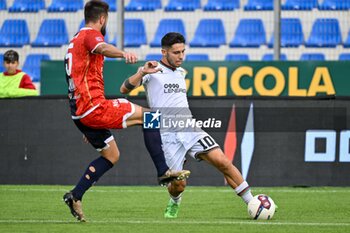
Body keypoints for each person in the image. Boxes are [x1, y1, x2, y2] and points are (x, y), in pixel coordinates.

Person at [62, 1, 189, 222]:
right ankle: (163, 171)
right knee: (151, 117)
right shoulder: (90, 35)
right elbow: (102, 47)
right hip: (93, 107)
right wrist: (122, 54)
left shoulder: (74, 41)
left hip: (80, 111)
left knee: (111, 155)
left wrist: (88, 121)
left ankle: (75, 195)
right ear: (102, 19)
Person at [121, 32, 254, 218]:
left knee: (222, 161)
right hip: (167, 135)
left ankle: (253, 203)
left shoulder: (181, 72)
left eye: (183, 51)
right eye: (176, 52)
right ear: (164, 52)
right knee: (178, 185)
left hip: (189, 127)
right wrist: (141, 72)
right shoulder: (152, 69)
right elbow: (124, 89)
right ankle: (175, 200)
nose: (181, 56)